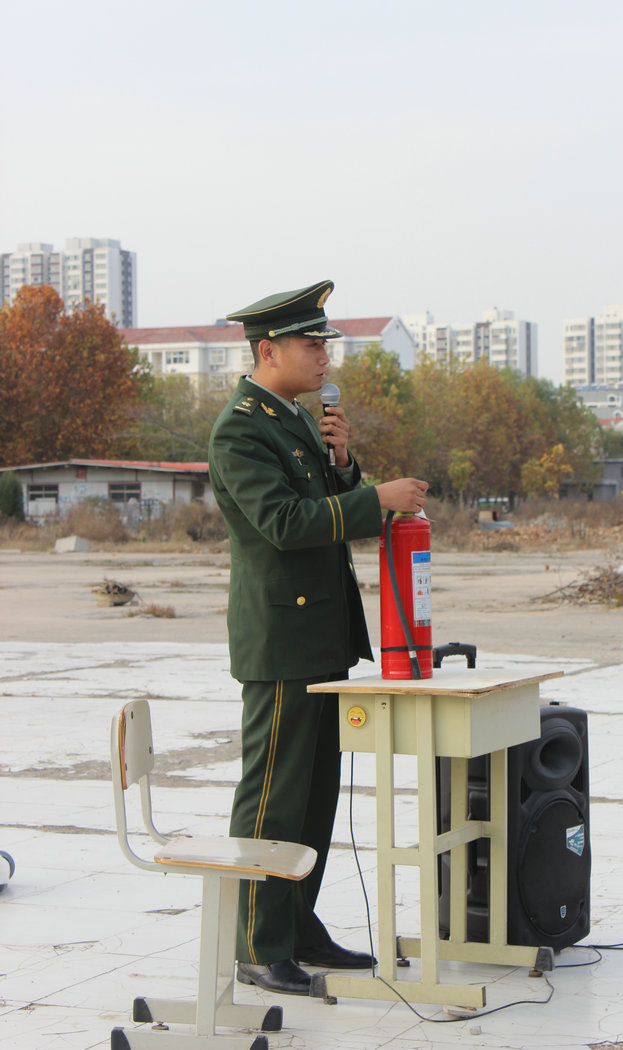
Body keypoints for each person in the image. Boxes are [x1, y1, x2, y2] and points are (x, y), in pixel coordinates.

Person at [208, 279, 428, 996]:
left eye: (325, 343)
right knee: (274, 796)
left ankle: (298, 927)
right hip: (281, 642)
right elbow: (283, 524)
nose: (324, 355)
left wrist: (343, 467)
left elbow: (323, 505)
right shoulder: (242, 429)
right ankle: (257, 943)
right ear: (268, 351)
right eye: (311, 344)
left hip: (323, 636)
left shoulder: (296, 421)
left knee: (315, 796)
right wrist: (375, 498)